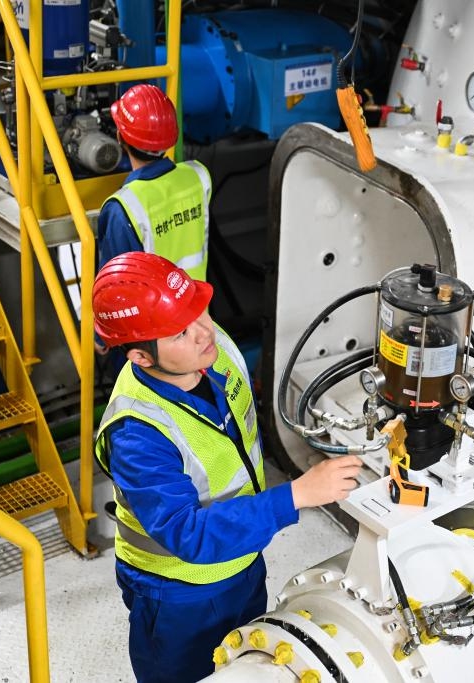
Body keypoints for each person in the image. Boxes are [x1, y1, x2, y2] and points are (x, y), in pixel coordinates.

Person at [92, 251, 363, 683]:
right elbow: (187, 533)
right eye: (181, 331)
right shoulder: (137, 434)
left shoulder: (211, 346)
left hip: (242, 560)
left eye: (198, 309)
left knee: (246, 666)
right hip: (179, 593)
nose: (204, 332)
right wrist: (296, 495)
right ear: (141, 358)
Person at [97, 83, 212, 281]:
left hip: (154, 313)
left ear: (119, 137)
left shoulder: (124, 208)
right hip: (197, 309)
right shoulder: (198, 176)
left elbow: (115, 290)